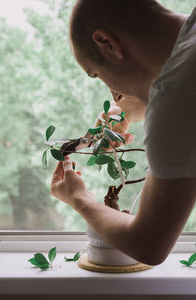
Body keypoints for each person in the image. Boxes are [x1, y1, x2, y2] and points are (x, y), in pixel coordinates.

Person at [50, 0, 196, 265]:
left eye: (98, 74)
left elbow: (148, 244)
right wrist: (132, 108)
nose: (115, 96)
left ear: (107, 42)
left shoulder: (176, 93)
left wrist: (78, 197)